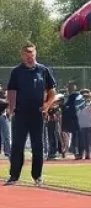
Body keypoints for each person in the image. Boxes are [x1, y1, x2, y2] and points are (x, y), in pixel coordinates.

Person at [4, 44, 56, 186]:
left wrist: (47, 105)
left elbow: (52, 91)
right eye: (26, 55)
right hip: (20, 113)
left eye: (31, 54)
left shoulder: (43, 70)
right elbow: (12, 91)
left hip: (37, 114)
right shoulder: (16, 72)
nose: (29, 57)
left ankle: (37, 176)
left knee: (38, 145)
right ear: (22, 55)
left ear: (35, 54)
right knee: (17, 145)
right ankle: (14, 176)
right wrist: (11, 109)